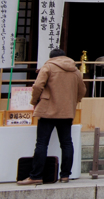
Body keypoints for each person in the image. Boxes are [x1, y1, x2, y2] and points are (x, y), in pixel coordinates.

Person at [17, 49, 85, 185]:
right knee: (66, 143)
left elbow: (37, 86)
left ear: (51, 57)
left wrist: (34, 102)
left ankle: (36, 176)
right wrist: (73, 101)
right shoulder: (75, 70)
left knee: (42, 143)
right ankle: (65, 175)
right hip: (67, 111)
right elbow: (82, 90)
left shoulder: (48, 67)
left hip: (47, 110)